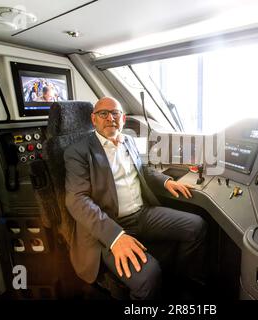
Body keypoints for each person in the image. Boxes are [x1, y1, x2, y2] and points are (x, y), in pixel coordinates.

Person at [64, 97, 207, 300]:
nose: (110, 118)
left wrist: (166, 182)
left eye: (115, 113)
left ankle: (181, 284)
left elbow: (143, 170)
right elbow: (77, 200)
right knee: (149, 274)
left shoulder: (128, 140)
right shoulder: (78, 151)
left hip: (142, 214)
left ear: (123, 118)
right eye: (103, 113)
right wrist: (115, 237)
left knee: (196, 226)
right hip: (109, 224)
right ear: (93, 119)